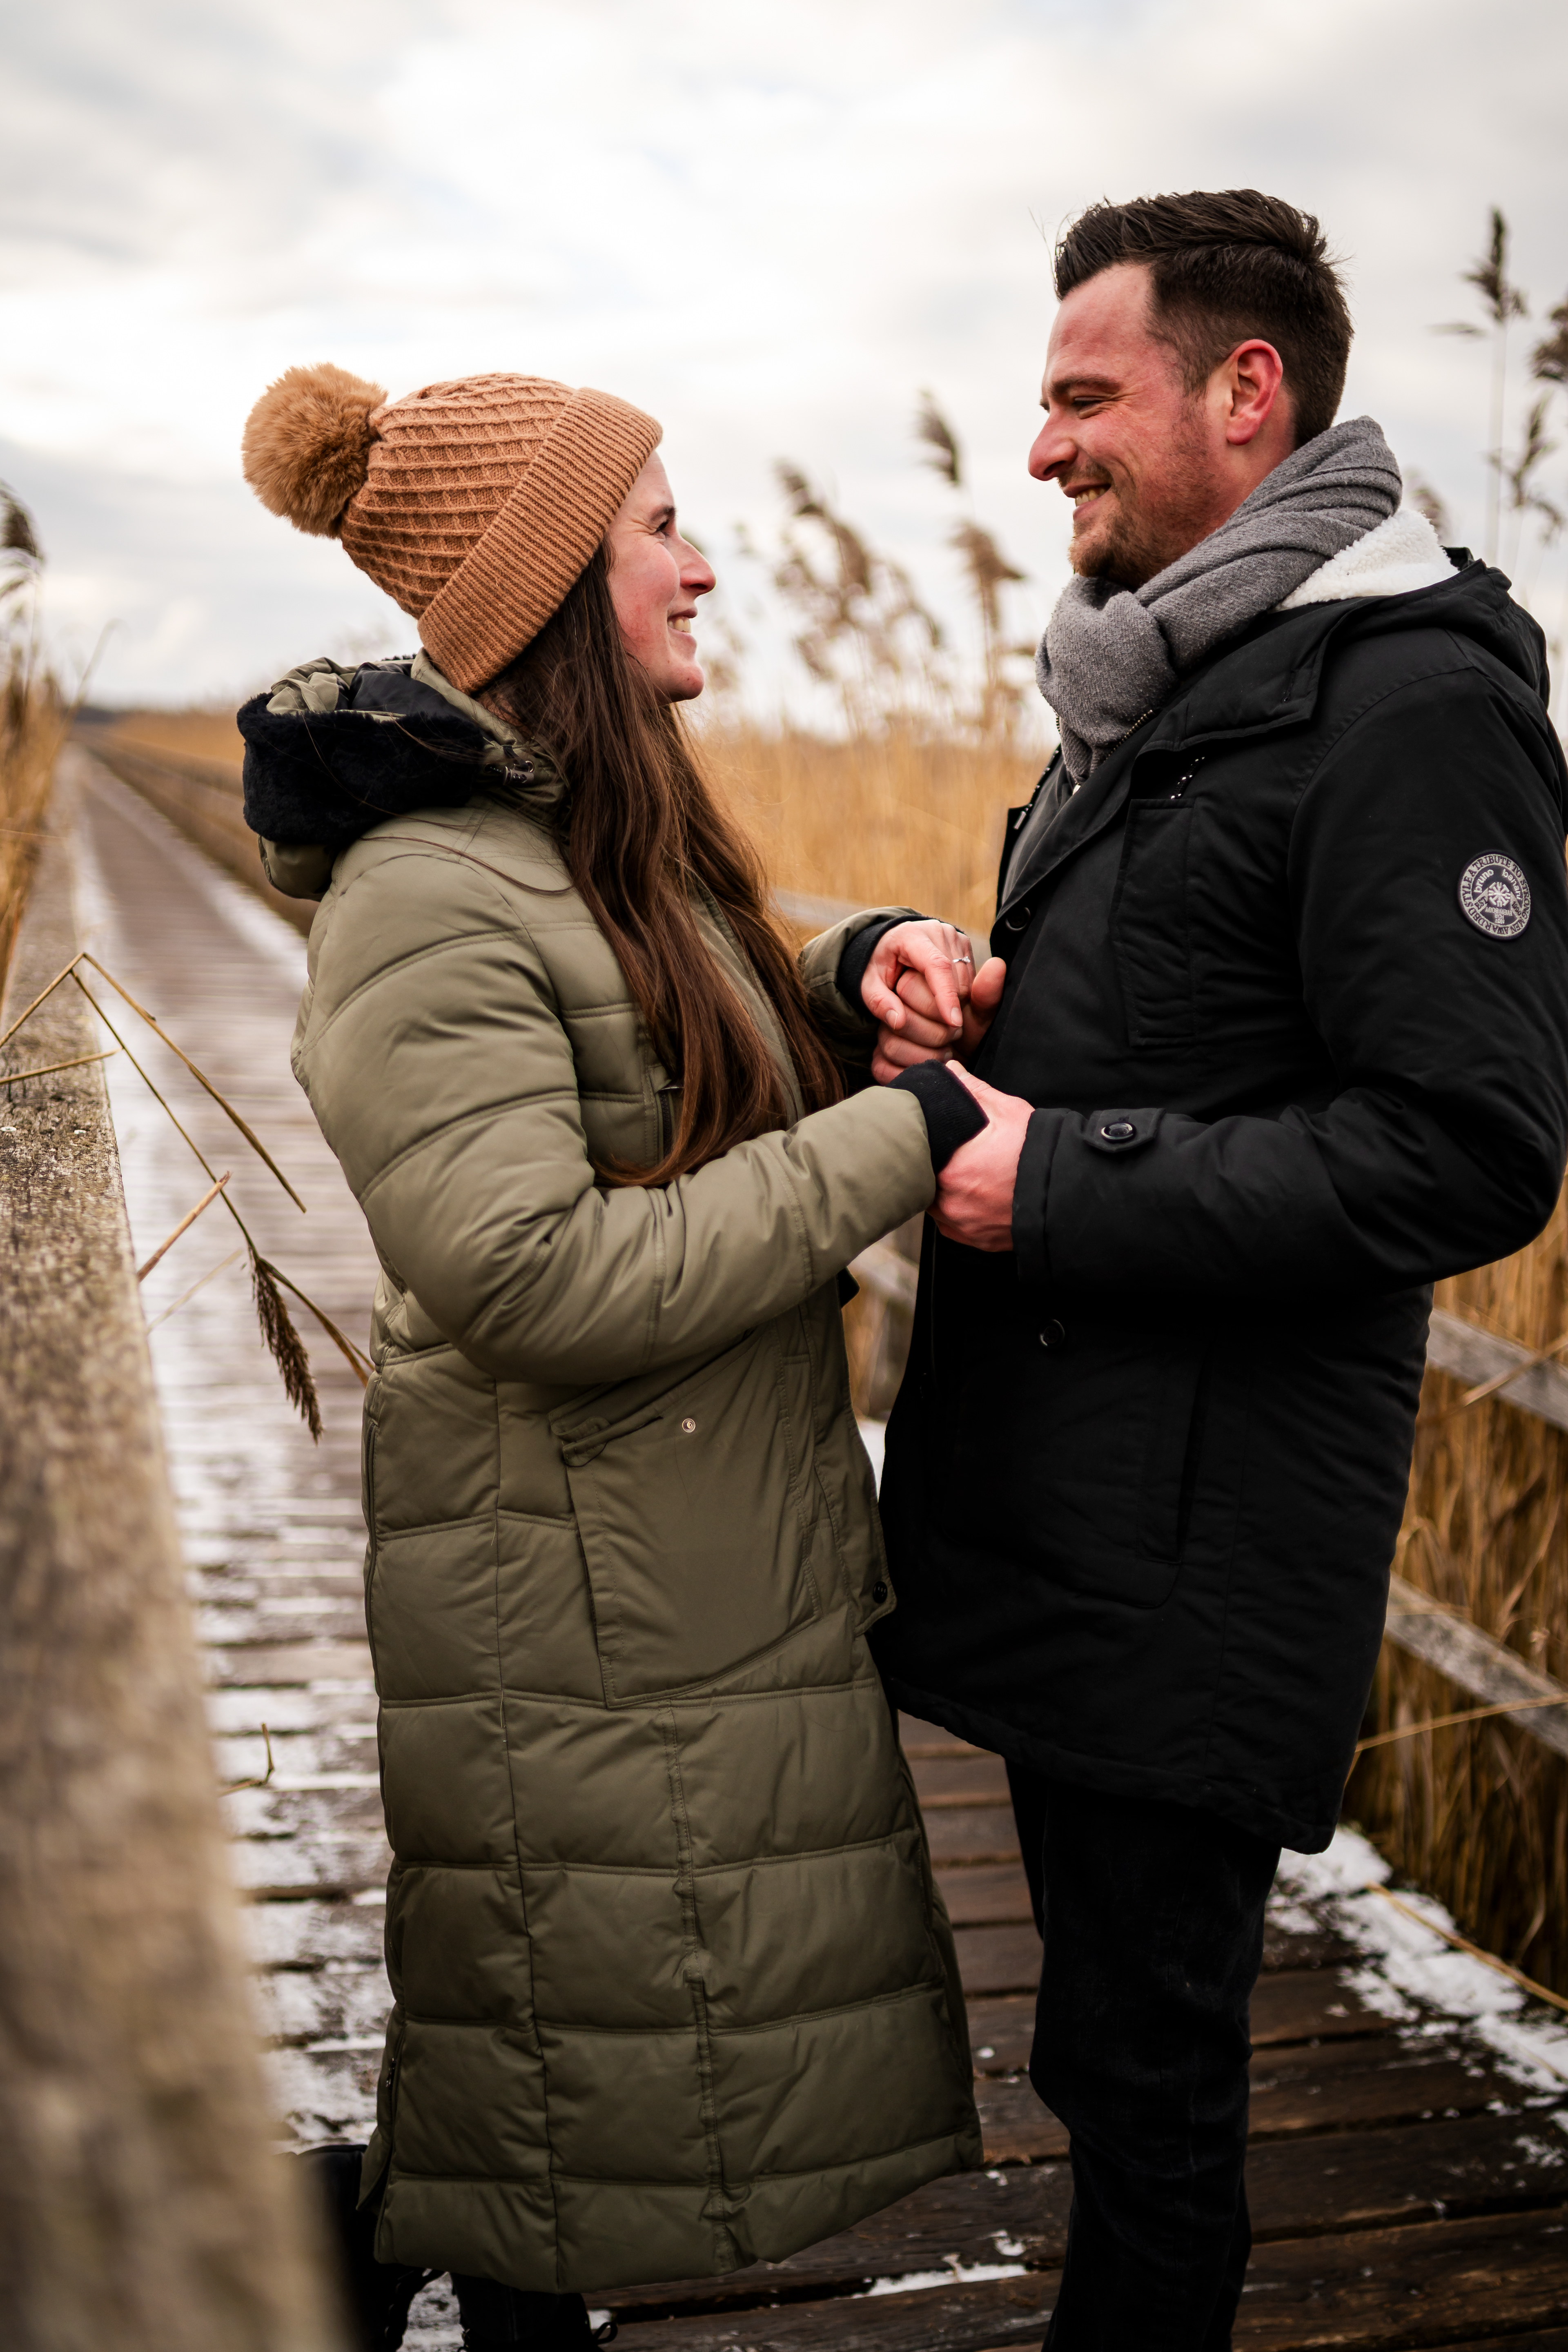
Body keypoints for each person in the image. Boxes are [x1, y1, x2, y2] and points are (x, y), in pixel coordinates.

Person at [834, 191, 1568, 2348]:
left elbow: (1471, 1146)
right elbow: (1188, 1007)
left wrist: (1062, 1178)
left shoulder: (1413, 704)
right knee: (1097, 2059)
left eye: (1083, 395)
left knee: (1148, 2098)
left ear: (1246, 394)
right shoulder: (1182, 672)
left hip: (1203, 1551)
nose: (1040, 445)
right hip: (1082, 1514)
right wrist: (933, 979)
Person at [236, 365, 988, 2351]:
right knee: (552, 2111)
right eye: (661, 527)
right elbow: (536, 1271)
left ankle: (325, 2257)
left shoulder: (573, 837)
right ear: (556, 580)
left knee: (560, 2106)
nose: (707, 566)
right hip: (569, 1599)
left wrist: (850, 966)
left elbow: (656, 1012)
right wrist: (903, 1141)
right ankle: (269, 2260)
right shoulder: (425, 892)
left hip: (651, 1584)